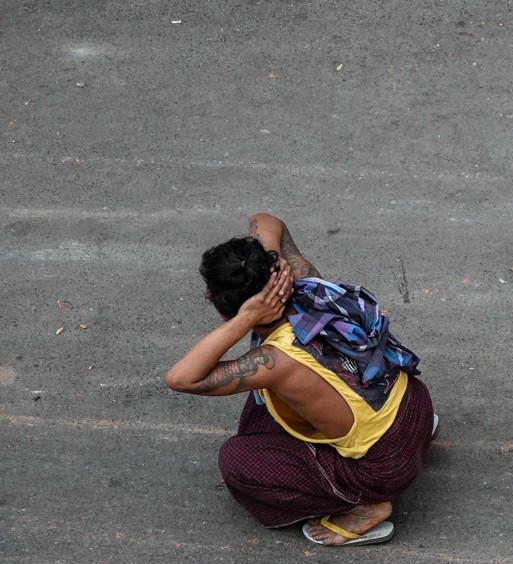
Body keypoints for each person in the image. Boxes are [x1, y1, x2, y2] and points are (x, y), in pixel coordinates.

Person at [164, 212, 435, 546]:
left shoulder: (276, 361)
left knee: (237, 460)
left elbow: (181, 378)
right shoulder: (310, 285)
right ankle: (417, 436)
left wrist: (245, 319)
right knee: (264, 402)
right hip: (416, 406)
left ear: (225, 309)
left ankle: (368, 507)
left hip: (387, 466)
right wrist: (269, 263)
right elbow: (265, 220)